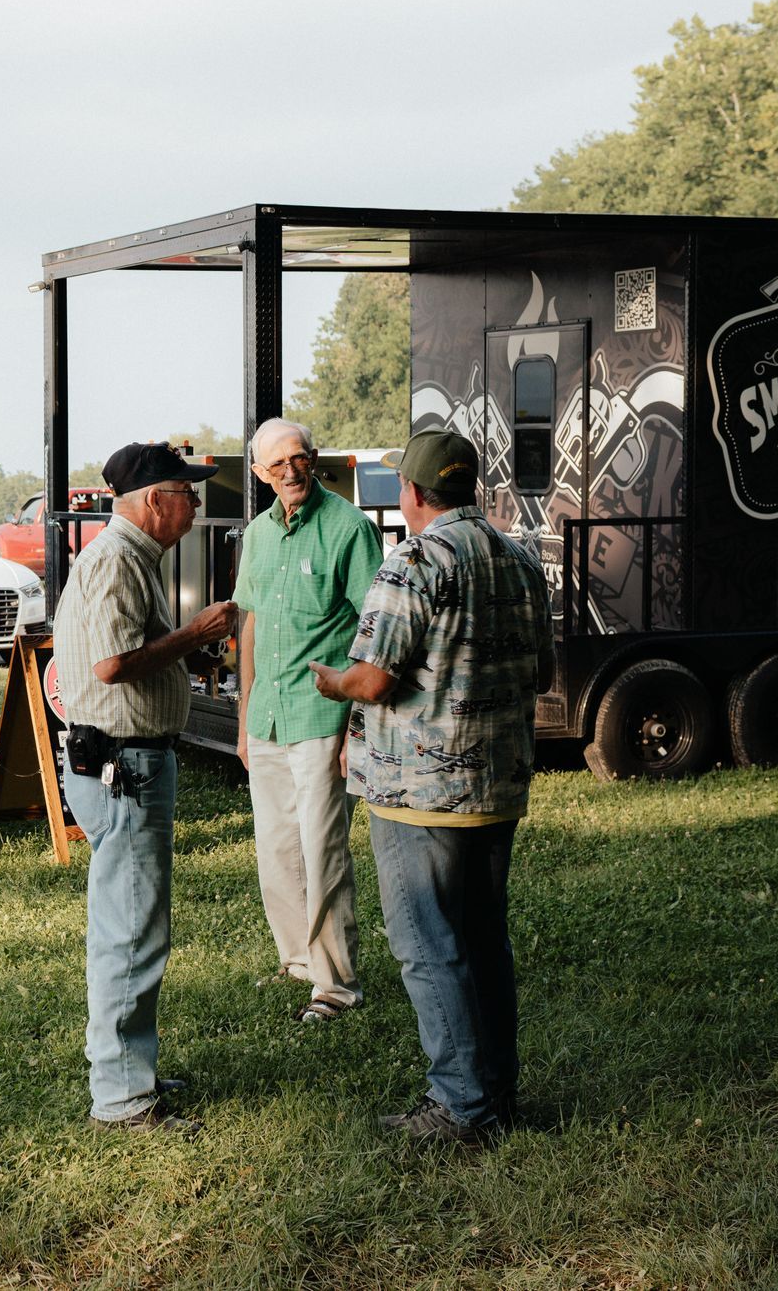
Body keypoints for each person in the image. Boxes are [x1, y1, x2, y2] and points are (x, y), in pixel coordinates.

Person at [310, 429, 554, 1146]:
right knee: (483, 939)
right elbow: (541, 672)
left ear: (412, 493)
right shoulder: (520, 558)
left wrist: (328, 678)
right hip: (497, 786)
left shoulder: (414, 561)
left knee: (426, 943)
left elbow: (373, 678)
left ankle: (461, 1108)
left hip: (417, 796)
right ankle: (496, 1092)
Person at [55, 441, 238, 1136]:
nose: (196, 504)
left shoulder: (128, 556)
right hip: (123, 765)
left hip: (122, 764)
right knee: (130, 932)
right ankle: (124, 1100)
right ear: (155, 500)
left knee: (131, 926)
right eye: (188, 492)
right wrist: (193, 632)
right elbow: (111, 665)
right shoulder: (117, 559)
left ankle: (129, 1072)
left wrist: (186, 646)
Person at [233, 418, 384, 1024]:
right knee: (275, 848)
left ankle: (336, 985)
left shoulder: (348, 528)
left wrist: (359, 726)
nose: (290, 472)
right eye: (277, 465)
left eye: (298, 459)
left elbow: (375, 631)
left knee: (322, 849)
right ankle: (298, 961)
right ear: (259, 474)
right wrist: (244, 717)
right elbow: (249, 624)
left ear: (314, 458)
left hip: (323, 714)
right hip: (267, 716)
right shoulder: (257, 535)